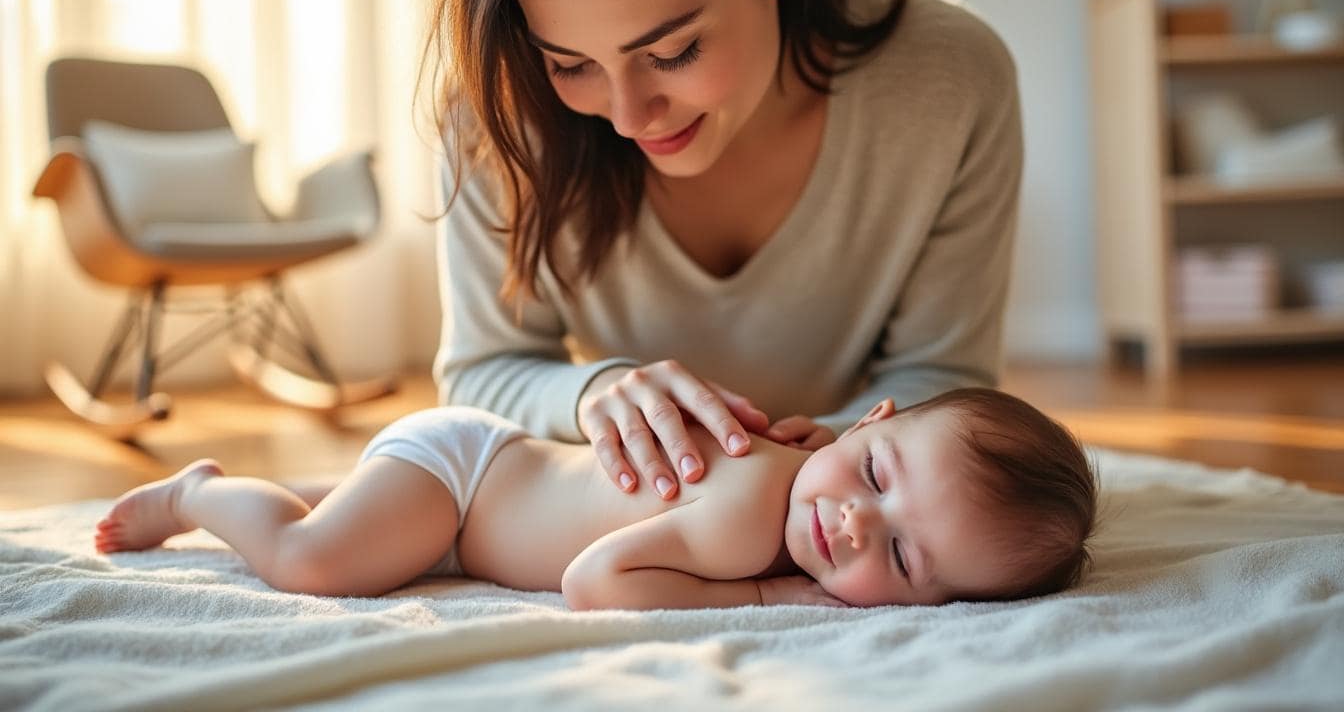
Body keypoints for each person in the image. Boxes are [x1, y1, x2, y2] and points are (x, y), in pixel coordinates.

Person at [427, 0, 1024, 502]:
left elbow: (945, 378)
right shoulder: (497, 112)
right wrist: (592, 395)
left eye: (672, 52)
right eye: (571, 64)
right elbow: (482, 369)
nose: (630, 118)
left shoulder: (951, 80)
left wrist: (824, 458)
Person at [94, 388, 1096, 609]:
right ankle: (201, 497)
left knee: (370, 529)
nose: (854, 525)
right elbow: (591, 580)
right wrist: (759, 601)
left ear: (934, 605)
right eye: (874, 478)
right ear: (871, 421)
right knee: (315, 562)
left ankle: (327, 490)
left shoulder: (808, 460)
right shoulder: (754, 516)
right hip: (462, 481)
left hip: (470, 507)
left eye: (906, 559)